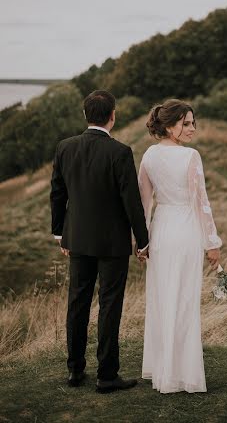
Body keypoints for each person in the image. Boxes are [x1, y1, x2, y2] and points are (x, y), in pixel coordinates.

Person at [50, 90, 149, 393]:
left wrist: (60, 233)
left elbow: (57, 194)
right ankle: (107, 375)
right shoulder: (120, 152)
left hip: (77, 239)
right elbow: (131, 202)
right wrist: (143, 241)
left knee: (77, 304)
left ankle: (75, 371)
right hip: (112, 243)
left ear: (85, 115)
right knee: (110, 306)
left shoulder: (65, 148)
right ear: (113, 116)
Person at [138, 98, 222, 393]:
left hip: (161, 232)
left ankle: (164, 371)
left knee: (163, 300)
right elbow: (202, 203)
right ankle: (180, 375)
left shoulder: (148, 155)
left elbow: (143, 204)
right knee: (183, 301)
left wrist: (141, 241)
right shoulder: (190, 157)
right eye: (186, 123)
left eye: (193, 123)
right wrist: (212, 242)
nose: (192, 128)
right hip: (185, 231)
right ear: (170, 126)